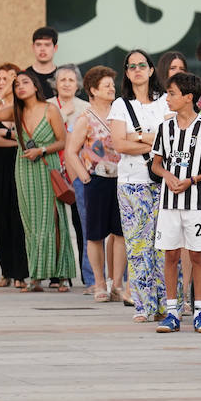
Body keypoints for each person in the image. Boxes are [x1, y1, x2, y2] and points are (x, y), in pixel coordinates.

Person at [150, 72, 201, 334]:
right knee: (170, 254)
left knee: (198, 255)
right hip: (169, 203)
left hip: (197, 202)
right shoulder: (164, 128)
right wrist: (167, 175)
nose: (167, 98)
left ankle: (200, 312)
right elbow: (156, 164)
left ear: (188, 97)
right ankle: (171, 313)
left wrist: (193, 179)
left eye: (172, 93)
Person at [108, 49, 166, 322]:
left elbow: (171, 140)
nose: (137, 70)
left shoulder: (166, 101)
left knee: (165, 244)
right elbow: (119, 144)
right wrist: (152, 139)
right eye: (131, 67)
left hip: (163, 180)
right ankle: (144, 306)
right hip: (132, 182)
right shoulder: (120, 104)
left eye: (142, 65)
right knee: (138, 244)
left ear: (152, 69)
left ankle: (168, 304)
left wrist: (139, 136)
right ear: (127, 73)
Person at [65, 66, 126, 304]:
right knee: (95, 234)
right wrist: (85, 176)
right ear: (93, 90)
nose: (112, 88)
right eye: (106, 85)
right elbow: (71, 151)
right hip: (97, 179)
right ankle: (99, 283)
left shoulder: (120, 114)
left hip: (122, 179)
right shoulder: (85, 118)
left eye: (112, 84)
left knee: (120, 233)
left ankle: (117, 283)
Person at [11, 70, 76, 291]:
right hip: (24, 170)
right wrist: (3, 90)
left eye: (25, 82)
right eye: (16, 84)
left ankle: (62, 275)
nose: (20, 86)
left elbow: (62, 141)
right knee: (31, 223)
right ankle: (36, 276)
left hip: (47, 168)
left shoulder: (50, 109)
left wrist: (42, 149)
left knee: (53, 221)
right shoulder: (16, 112)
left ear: (36, 86)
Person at [0, 64, 28, 288]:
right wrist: (16, 141)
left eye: (8, 78)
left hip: (22, 164)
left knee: (19, 218)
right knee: (0, 219)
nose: (2, 82)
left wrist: (8, 135)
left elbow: (28, 136)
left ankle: (21, 273)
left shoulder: (24, 105)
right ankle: (6, 271)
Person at [52, 65, 90, 289]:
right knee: (55, 224)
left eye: (71, 79)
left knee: (81, 223)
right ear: (55, 83)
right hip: (52, 169)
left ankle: (88, 276)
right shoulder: (47, 106)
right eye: (62, 79)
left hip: (78, 171)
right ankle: (58, 273)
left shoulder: (86, 108)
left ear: (78, 84)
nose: (66, 83)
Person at [28, 26, 59, 99]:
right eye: (38, 45)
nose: (42, 49)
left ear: (55, 48)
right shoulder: (25, 76)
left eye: (47, 45)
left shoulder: (61, 77)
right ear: (33, 47)